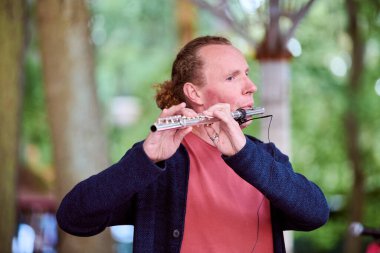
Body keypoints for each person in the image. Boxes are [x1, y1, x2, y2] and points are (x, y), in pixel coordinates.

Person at [56, 35, 329, 253]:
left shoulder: (265, 157)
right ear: (194, 93)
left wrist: (244, 155)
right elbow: (73, 217)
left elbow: (315, 214)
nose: (251, 86)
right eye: (232, 77)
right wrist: (143, 160)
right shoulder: (159, 163)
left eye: (246, 73)